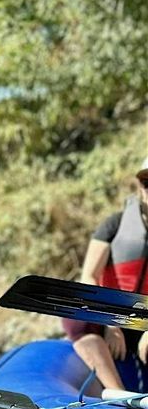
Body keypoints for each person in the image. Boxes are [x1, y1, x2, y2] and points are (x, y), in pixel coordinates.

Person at [64, 157, 148, 392]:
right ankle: (118, 395)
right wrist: (111, 324)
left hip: (143, 317)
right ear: (139, 186)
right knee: (75, 318)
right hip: (111, 312)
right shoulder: (114, 225)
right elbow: (89, 276)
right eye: (145, 182)